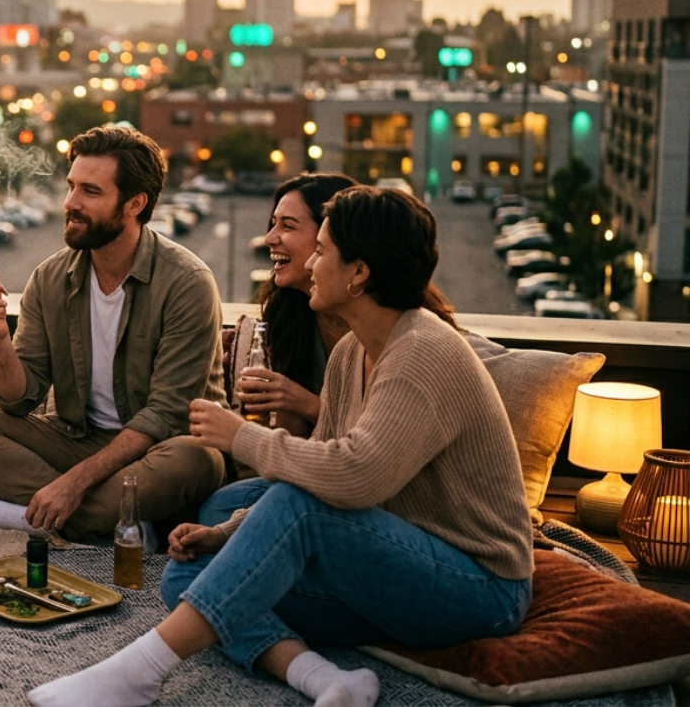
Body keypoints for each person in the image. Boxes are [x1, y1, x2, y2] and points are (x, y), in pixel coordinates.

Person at [27, 186, 533, 707]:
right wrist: (223, 534)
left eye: (322, 251)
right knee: (191, 571)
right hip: (392, 556)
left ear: (358, 273)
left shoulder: (424, 353)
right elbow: (319, 480)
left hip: (479, 588)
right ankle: (322, 678)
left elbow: (353, 479)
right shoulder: (352, 353)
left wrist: (241, 435)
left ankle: (141, 670)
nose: (311, 262)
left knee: (289, 512)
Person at [0, 125, 226, 539]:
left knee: (196, 459)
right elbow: (20, 399)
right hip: (78, 438)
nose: (70, 203)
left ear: (134, 204)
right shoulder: (50, 278)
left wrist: (73, 483)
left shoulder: (187, 282)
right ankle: (114, 519)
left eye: (90, 192)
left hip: (157, 448)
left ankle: (22, 514)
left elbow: (164, 416)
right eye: (71, 187)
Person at [234, 173, 459, 439]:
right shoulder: (289, 316)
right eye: (273, 224)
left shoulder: (404, 339)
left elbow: (371, 451)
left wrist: (303, 404)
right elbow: (299, 440)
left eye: (288, 226)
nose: (269, 238)